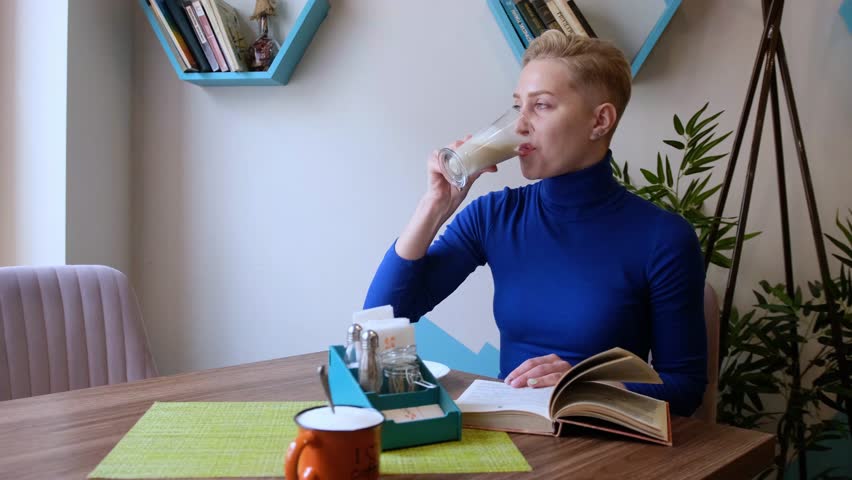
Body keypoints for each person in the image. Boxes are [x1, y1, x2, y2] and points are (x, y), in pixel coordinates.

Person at [363, 31, 707, 417]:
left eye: (541, 106)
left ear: (600, 120)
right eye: (516, 107)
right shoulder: (494, 215)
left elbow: (685, 387)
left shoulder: (663, 237)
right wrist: (435, 204)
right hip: (511, 438)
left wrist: (584, 385)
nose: (519, 126)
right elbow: (382, 322)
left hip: (604, 449)